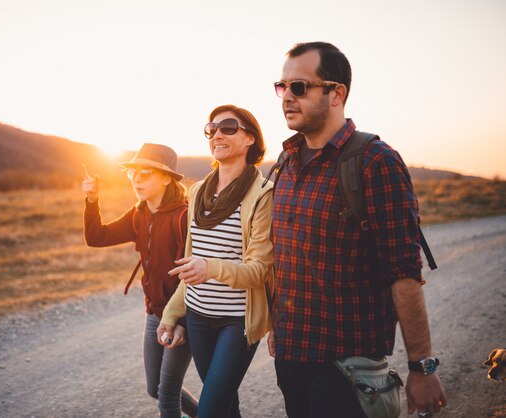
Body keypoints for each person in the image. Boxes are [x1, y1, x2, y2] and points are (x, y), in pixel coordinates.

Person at [267, 41, 447, 418]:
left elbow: (403, 273)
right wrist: (275, 324)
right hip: (291, 355)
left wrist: (421, 367)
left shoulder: (375, 161)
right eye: (282, 87)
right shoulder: (286, 161)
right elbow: (284, 256)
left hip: (346, 365)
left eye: (299, 87)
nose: (286, 97)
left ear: (337, 93)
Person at [157, 105, 274, 418]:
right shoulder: (197, 191)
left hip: (236, 323)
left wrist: (209, 268)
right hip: (197, 317)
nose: (217, 134)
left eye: (228, 127)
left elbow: (259, 271)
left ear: (250, 138)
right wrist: (173, 313)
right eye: (211, 129)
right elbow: (189, 266)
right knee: (224, 406)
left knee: (209, 410)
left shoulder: (262, 194)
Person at [82, 143, 198, 418]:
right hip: (154, 316)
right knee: (155, 388)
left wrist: (180, 321)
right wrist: (91, 200)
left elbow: (195, 278)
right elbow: (96, 237)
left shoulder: (183, 217)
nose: (137, 178)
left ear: (167, 178)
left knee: (167, 393)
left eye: (147, 172)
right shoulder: (139, 214)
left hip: (183, 316)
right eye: (134, 172)